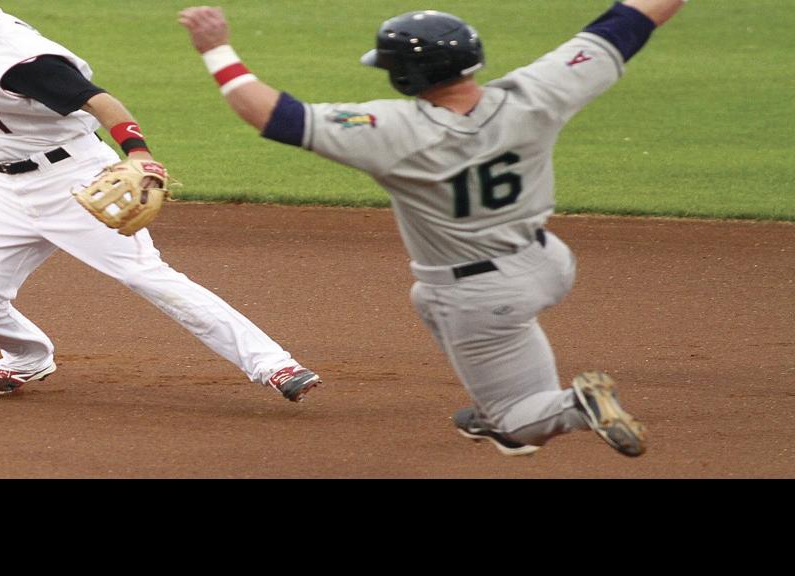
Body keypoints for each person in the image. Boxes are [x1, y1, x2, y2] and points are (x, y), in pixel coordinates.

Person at [179, 0, 689, 456]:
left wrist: (216, 48)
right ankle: (499, 401)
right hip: (548, 261)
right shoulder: (537, 92)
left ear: (403, 77)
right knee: (428, 298)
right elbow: (627, 22)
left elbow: (271, 115)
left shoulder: (392, 131)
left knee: (520, 422)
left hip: (479, 294)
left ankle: (571, 407)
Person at [0, 0, 320, 402]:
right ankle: (26, 359)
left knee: (147, 276)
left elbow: (104, 103)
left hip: (76, 180)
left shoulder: (23, 60)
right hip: (5, 190)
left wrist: (140, 155)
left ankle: (274, 365)